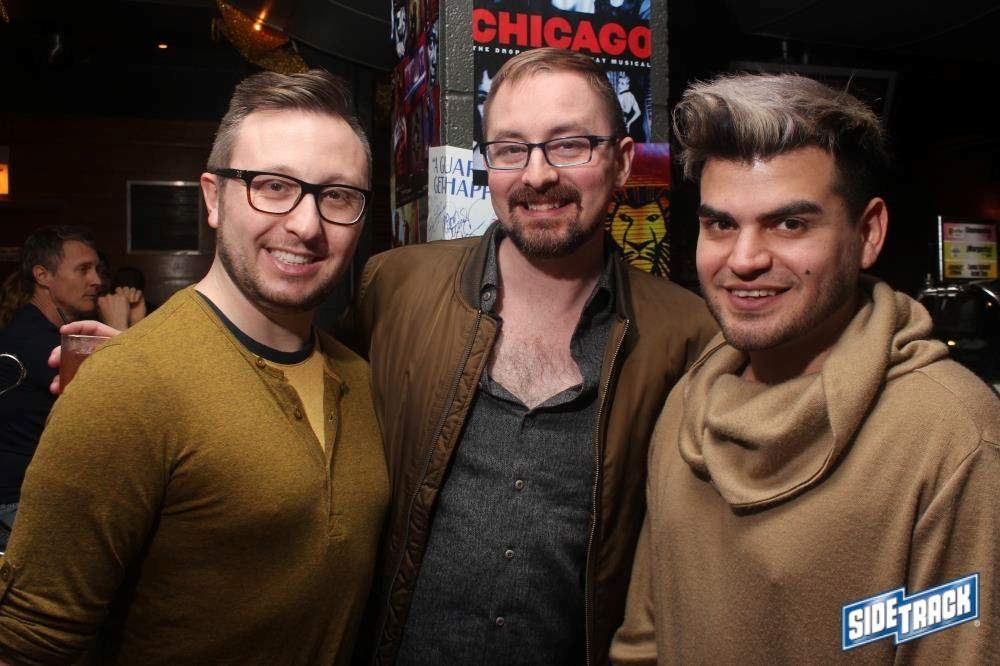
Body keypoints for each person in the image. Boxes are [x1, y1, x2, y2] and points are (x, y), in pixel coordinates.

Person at [0, 69, 388, 664]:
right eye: (273, 185)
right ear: (212, 198)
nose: (307, 225)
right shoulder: (125, 383)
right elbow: (29, 642)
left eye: (337, 196)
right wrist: (137, 370)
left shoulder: (360, 378)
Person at [610, 73, 999, 664]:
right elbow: (644, 641)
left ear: (867, 233)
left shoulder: (952, 438)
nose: (744, 259)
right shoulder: (687, 402)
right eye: (721, 224)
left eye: (790, 224)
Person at [348, 48, 717, 665]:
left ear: (623, 162)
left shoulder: (688, 337)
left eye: (569, 145)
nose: (538, 175)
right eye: (511, 149)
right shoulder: (393, 287)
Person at [0, 226, 101, 552]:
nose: (96, 280)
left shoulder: (38, 327)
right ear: (43, 275)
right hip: (19, 502)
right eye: (83, 269)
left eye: (96, 269)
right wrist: (124, 324)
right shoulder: (37, 339)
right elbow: (112, 409)